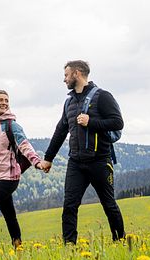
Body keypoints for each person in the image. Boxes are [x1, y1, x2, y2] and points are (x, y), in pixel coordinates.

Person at [39, 60, 126, 244]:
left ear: (77, 74)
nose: (64, 79)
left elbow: (118, 123)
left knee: (109, 205)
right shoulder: (69, 102)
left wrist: (91, 121)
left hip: (100, 161)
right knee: (69, 206)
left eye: (66, 75)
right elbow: (60, 130)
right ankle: (69, 248)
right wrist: (48, 158)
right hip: (76, 163)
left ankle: (120, 242)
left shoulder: (103, 96)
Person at [0, 90, 43, 248]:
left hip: (9, 177)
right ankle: (18, 246)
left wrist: (37, 162)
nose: (4, 103)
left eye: (6, 100)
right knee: (9, 215)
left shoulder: (12, 125)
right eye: (0, 100)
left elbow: (24, 145)